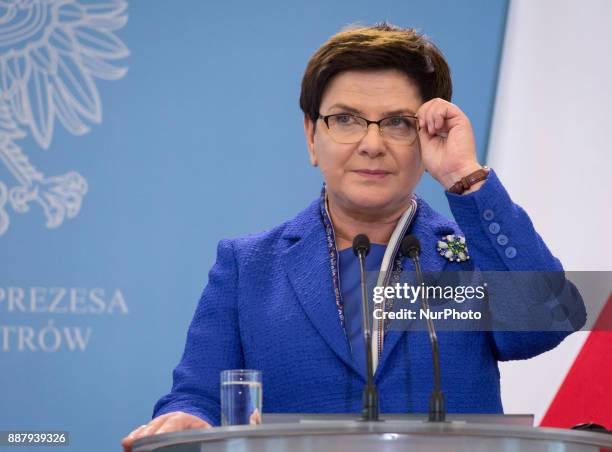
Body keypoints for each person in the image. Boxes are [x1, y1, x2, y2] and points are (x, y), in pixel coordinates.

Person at [122, 23, 585, 451]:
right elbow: (196, 397)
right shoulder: (247, 266)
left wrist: (465, 177)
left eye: (398, 123)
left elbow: (539, 326)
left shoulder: (468, 259)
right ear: (310, 136)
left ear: (427, 137)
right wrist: (187, 419)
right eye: (345, 119)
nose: (371, 143)